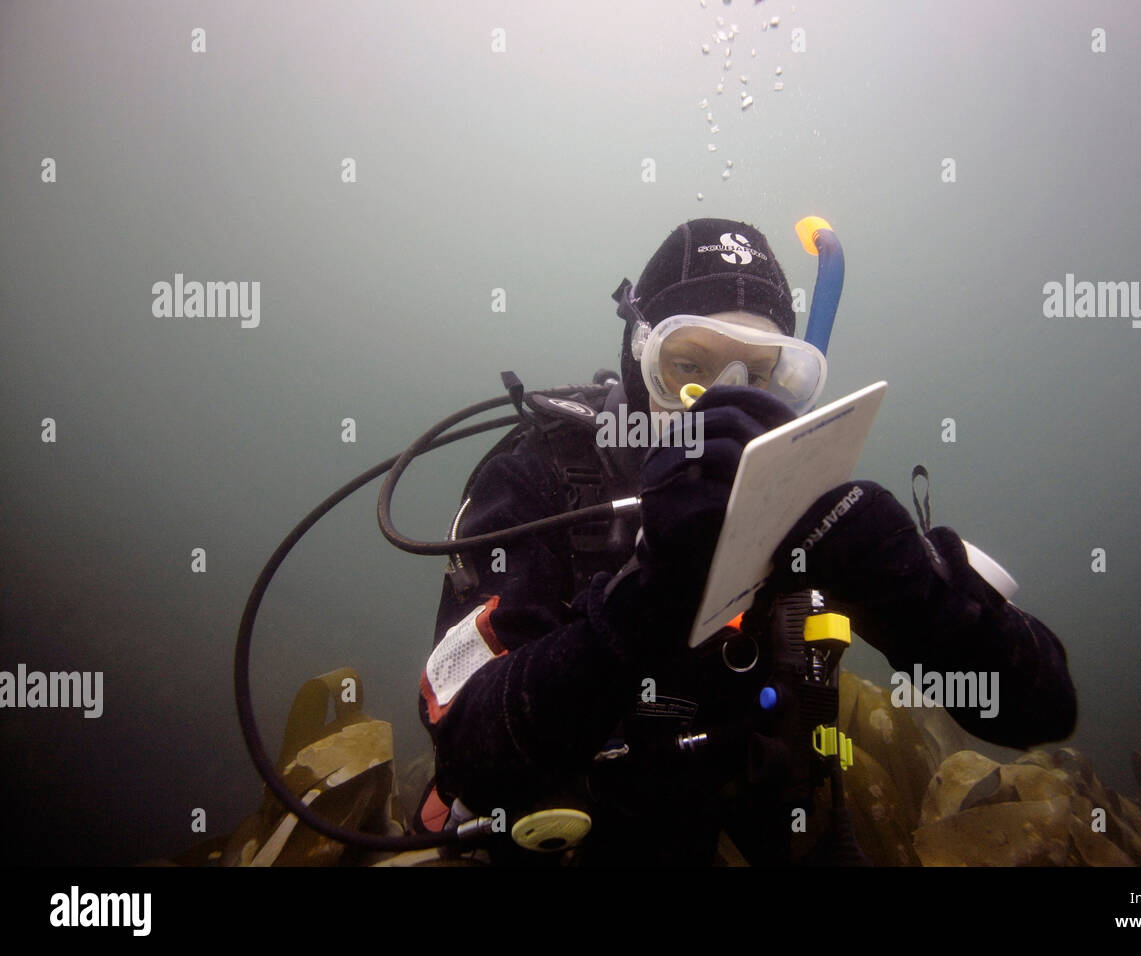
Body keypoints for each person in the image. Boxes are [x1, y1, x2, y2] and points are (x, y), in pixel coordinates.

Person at [415, 218, 1076, 865]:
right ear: (638, 358)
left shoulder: (806, 510)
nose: (722, 401)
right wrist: (644, 603)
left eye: (760, 376)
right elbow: (468, 752)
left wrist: (908, 585)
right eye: (687, 366)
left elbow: (1039, 709)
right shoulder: (544, 479)